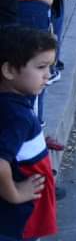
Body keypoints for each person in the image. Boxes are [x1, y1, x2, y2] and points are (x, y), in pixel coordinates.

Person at [0, 26, 58, 241]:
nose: (48, 75)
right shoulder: (17, 116)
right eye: (41, 67)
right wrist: (15, 194)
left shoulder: (11, 105)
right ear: (9, 71)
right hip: (17, 219)